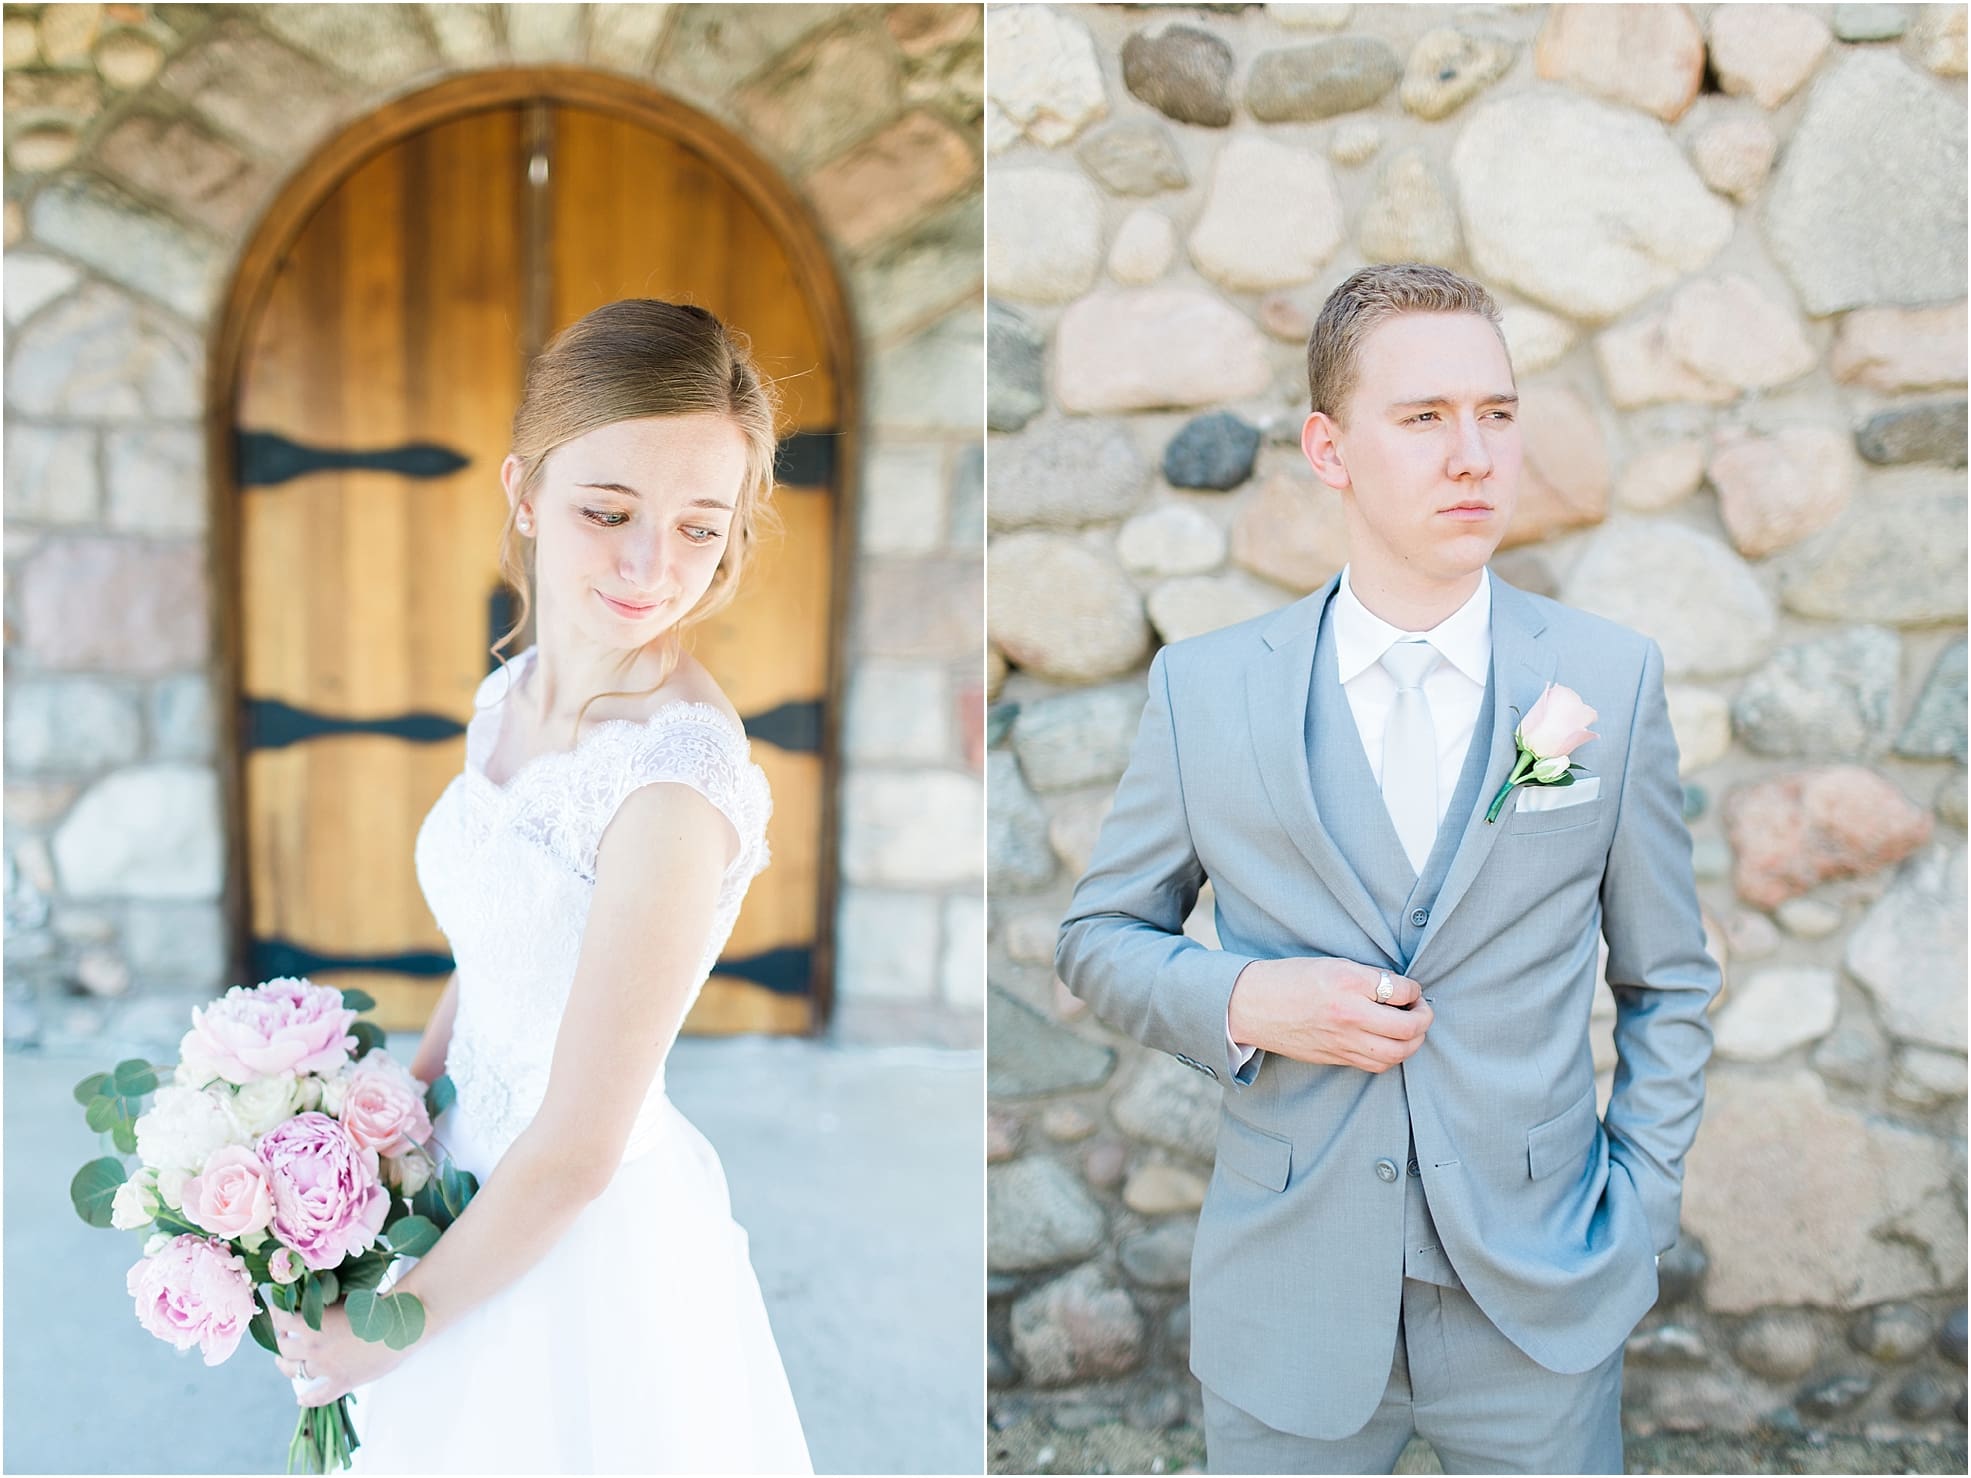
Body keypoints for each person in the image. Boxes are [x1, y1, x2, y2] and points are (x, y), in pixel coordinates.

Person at [1056, 263, 1719, 1474]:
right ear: (1330, 446)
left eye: (1498, 414)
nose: (1474, 455)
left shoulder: (1607, 680)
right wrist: (1248, 999)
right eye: (1424, 418)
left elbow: (1668, 981)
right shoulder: (1206, 692)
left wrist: (1638, 1214)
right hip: (1288, 1292)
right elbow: (1098, 935)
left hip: (1540, 1296)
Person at [265, 299, 813, 1474]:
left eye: (698, 529)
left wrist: (388, 1323)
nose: (647, 565)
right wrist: (381, 1113)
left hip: (576, 1242)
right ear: (524, 491)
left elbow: (578, 1143)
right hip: (456, 1176)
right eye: (606, 510)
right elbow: (500, 947)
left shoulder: (675, 784)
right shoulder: (509, 689)